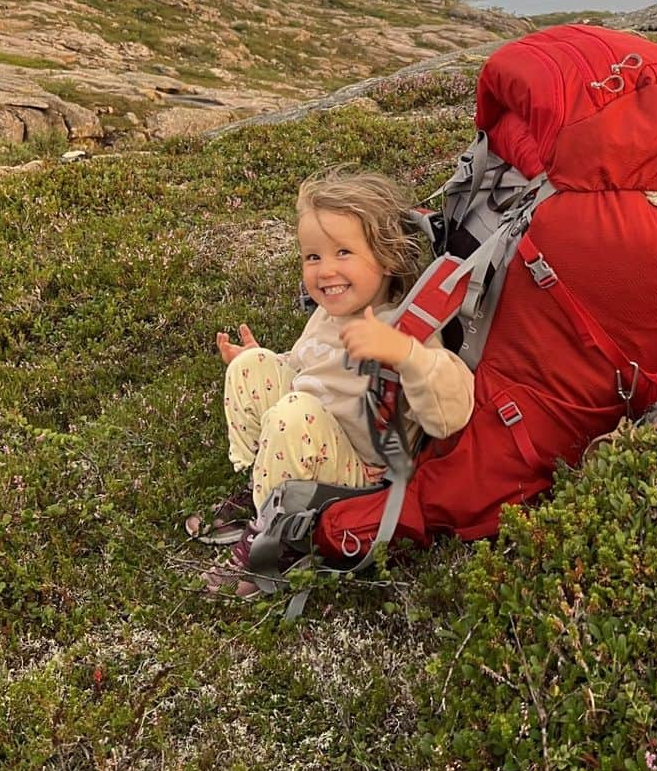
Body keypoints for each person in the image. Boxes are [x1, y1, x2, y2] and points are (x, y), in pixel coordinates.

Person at [193, 169, 475, 595]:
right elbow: (313, 366)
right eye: (313, 257)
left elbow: (450, 413)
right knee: (253, 366)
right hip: (310, 433)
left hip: (359, 471)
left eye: (343, 252)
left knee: (294, 414)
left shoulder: (405, 327)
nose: (325, 271)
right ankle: (262, 492)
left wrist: (406, 355)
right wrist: (264, 361)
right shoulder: (328, 315)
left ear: (387, 256)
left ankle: (275, 542)